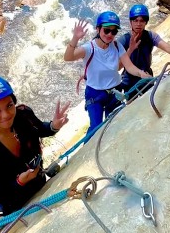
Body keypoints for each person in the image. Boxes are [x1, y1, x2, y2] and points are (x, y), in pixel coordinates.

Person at [0, 75, 70, 217]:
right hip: (15, 205)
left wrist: (53, 126)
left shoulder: (23, 115)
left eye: (9, 105)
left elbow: (39, 129)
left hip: (40, 182)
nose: (6, 115)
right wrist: (18, 182)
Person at [63, 11, 152, 141]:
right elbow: (68, 57)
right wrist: (75, 38)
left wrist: (141, 74)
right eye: (106, 30)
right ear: (98, 29)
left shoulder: (117, 45)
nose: (110, 34)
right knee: (96, 127)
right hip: (95, 94)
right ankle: (86, 153)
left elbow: (129, 66)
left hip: (114, 91)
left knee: (114, 124)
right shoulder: (89, 48)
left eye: (114, 31)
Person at [117, 4, 170, 92]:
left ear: (146, 22)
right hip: (129, 79)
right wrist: (130, 50)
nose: (138, 24)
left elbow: (167, 47)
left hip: (147, 76)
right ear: (131, 22)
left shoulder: (150, 36)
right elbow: (118, 66)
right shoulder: (124, 40)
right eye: (135, 20)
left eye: (142, 21)